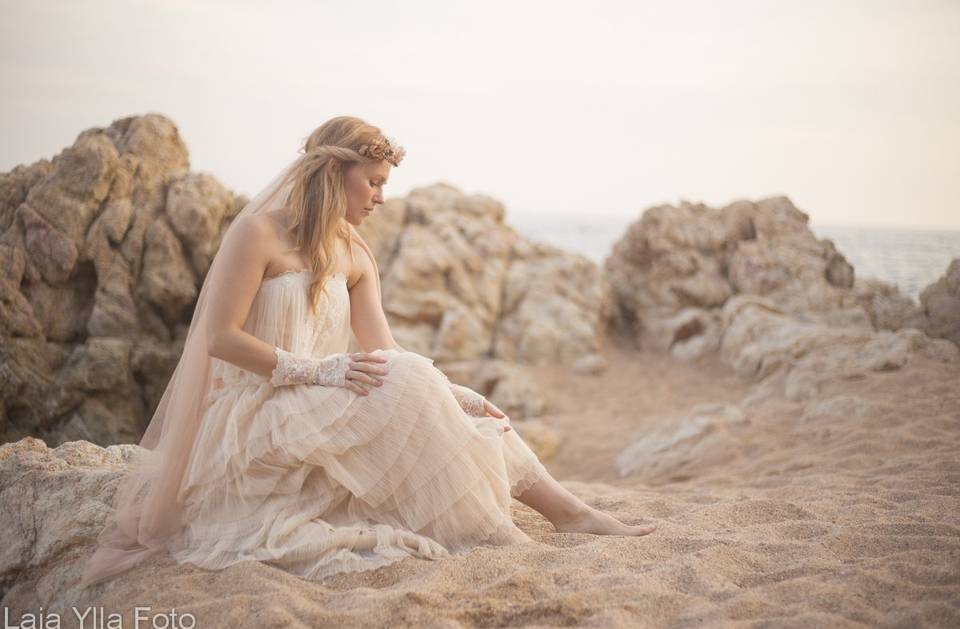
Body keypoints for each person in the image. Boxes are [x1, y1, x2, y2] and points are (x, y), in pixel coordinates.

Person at [79, 116, 655, 589]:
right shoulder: (257, 233)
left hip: (315, 404)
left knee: (440, 399)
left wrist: (458, 395)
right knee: (409, 388)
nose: (380, 197)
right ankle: (549, 518)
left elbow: (386, 349)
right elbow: (220, 338)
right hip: (254, 412)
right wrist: (319, 369)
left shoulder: (353, 250)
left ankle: (571, 513)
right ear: (335, 171)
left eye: (384, 184)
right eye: (373, 182)